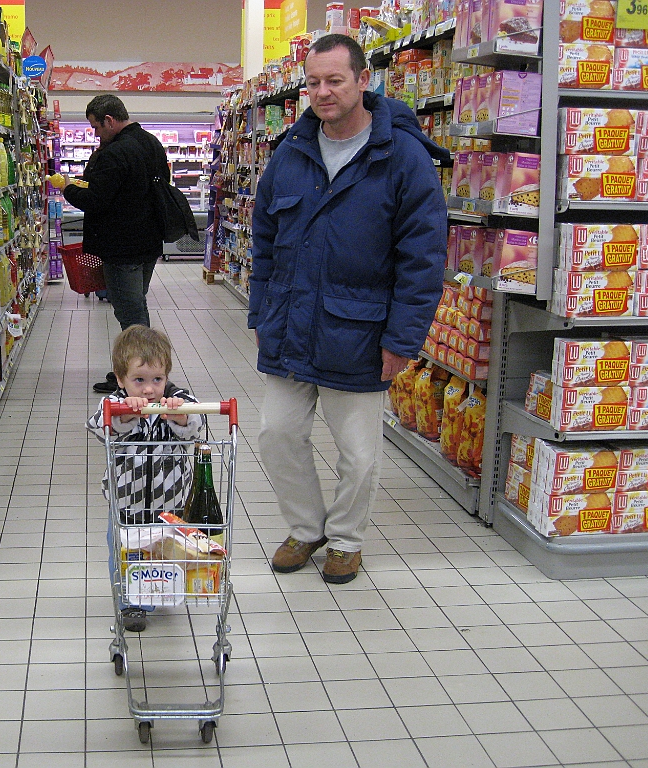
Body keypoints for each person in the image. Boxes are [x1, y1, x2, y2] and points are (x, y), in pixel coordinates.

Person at [248, 34, 448, 585]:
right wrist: (260, 311)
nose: (322, 92)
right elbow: (265, 239)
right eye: (313, 82)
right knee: (277, 434)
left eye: (334, 80)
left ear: (364, 80)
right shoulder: (290, 152)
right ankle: (306, 527)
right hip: (290, 324)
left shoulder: (402, 156)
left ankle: (345, 540)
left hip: (359, 330)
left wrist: (401, 340)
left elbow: (423, 259)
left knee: (357, 453)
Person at [86, 325, 205, 631]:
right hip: (127, 502)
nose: (149, 390)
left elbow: (197, 424)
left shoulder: (178, 399)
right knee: (124, 552)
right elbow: (98, 426)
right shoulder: (114, 403)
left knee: (163, 551)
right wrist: (124, 414)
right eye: (139, 380)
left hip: (170, 503)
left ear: (167, 376)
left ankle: (160, 588)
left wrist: (180, 416)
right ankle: (130, 603)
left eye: (157, 380)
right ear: (120, 378)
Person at [53, 95, 169, 394]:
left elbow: (96, 200)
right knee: (137, 306)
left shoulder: (115, 152)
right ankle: (138, 372)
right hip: (148, 243)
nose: (96, 134)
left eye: (96, 127)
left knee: (131, 315)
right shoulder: (152, 143)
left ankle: (142, 378)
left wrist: (68, 188)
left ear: (109, 120)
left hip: (121, 246)